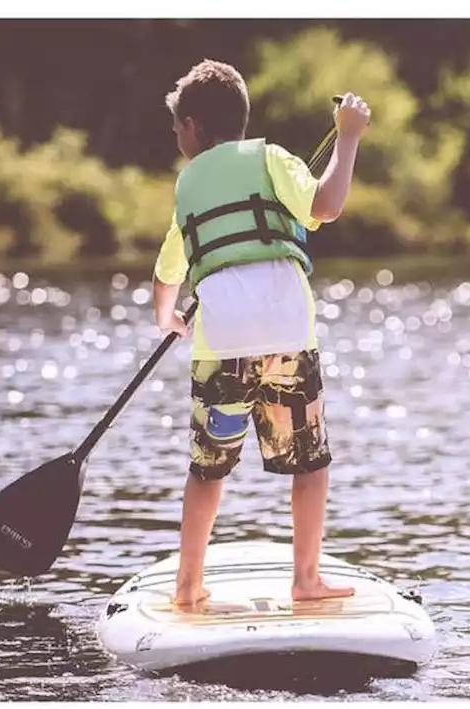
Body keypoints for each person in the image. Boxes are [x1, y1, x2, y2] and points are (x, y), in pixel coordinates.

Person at [152, 59, 372, 607]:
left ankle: (187, 586)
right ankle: (306, 580)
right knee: (309, 463)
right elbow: (327, 204)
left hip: (219, 346)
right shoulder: (271, 158)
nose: (176, 135)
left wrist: (167, 316)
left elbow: (168, 270)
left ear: (196, 126)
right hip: (286, 340)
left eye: (179, 125)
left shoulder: (187, 184)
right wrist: (348, 140)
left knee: (207, 471)